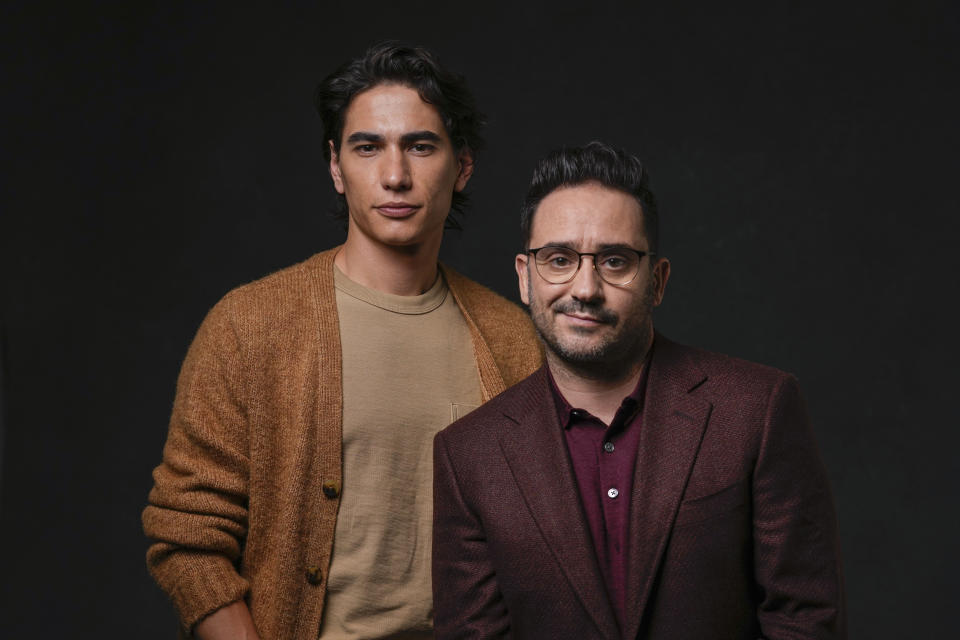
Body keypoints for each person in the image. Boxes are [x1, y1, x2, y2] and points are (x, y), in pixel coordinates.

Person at [142, 42, 541, 640]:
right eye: (367, 146)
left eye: (420, 145)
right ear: (335, 165)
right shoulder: (250, 324)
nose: (395, 174)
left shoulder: (511, 338)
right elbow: (186, 535)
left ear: (462, 166)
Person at [432, 141, 845, 639]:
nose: (585, 288)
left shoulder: (758, 409)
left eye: (614, 261)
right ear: (525, 278)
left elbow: (805, 620)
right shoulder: (469, 455)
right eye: (560, 259)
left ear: (658, 280)